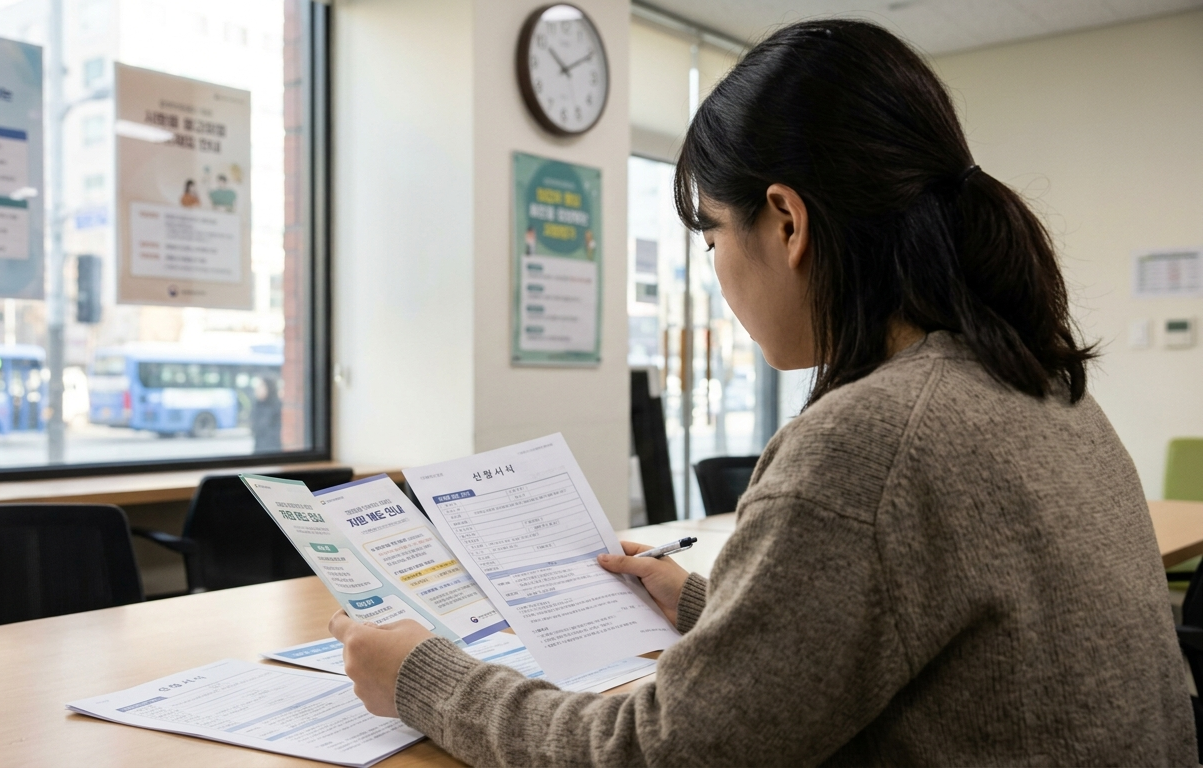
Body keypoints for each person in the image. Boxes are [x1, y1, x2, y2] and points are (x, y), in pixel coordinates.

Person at [328, 19, 1196, 766]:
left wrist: (423, 678)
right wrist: (710, 604)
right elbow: (920, 626)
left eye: (710, 234)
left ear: (785, 220)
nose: (713, 267)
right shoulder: (1041, 384)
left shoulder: (872, 439)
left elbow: (655, 753)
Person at [251, 377, 282, 454]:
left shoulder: (277, 407)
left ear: (269, 387)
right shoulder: (257, 405)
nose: (257, 389)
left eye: (261, 386)